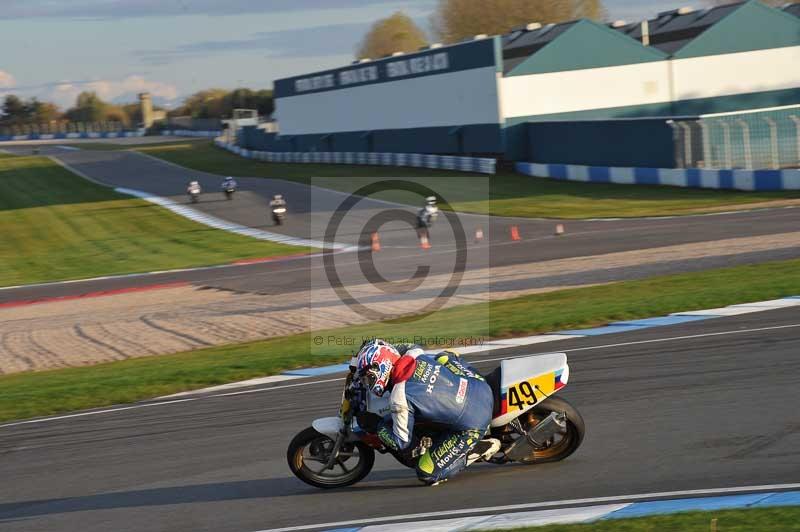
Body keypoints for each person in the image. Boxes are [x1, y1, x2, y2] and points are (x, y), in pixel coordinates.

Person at [354, 339, 499, 486]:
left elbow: (402, 442)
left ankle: (474, 450)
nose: (367, 383)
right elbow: (402, 347)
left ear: (382, 368)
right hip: (478, 384)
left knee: (426, 472)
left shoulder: (399, 398)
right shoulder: (413, 354)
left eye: (369, 378)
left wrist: (377, 425)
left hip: (474, 422)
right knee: (444, 356)